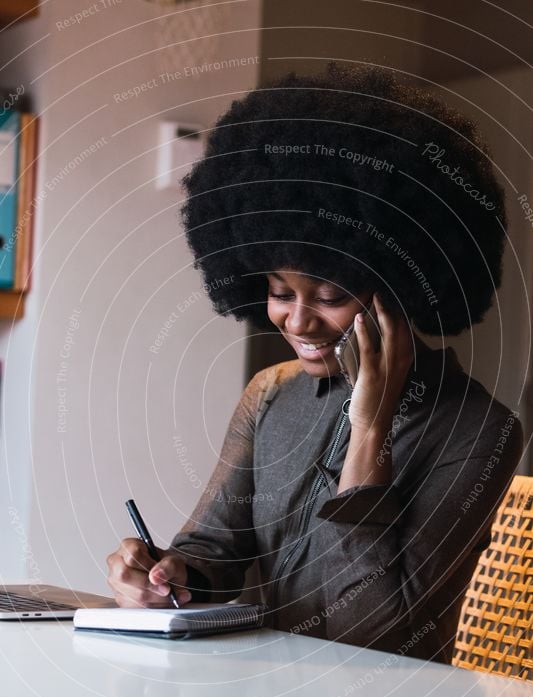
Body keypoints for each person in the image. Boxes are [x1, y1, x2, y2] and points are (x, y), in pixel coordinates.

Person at [107, 65, 523, 663]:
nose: (297, 323)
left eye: (329, 297)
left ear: (403, 288)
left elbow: (375, 630)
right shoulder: (271, 393)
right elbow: (214, 552)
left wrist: (370, 430)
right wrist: (161, 575)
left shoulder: (477, 429)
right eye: (280, 292)